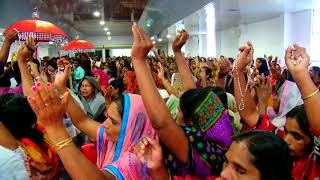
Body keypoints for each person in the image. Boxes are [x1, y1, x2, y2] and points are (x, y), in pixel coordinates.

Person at [131, 23, 234, 176]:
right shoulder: (220, 146)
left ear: (190, 122)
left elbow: (162, 124)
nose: (176, 112)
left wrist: (139, 61)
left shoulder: (200, 150)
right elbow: (192, 94)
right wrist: (177, 52)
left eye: (179, 109)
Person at [27, 79, 158, 179]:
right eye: (107, 117)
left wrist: (55, 129)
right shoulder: (117, 137)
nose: (105, 124)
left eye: (113, 121)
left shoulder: (138, 156)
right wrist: (62, 88)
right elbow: (82, 120)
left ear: (133, 127)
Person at [232, 42, 320, 179]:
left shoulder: (314, 164)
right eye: (285, 131)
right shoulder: (280, 145)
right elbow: (248, 114)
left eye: (297, 136)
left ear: (313, 140)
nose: (286, 139)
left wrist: (301, 74)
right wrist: (237, 71)